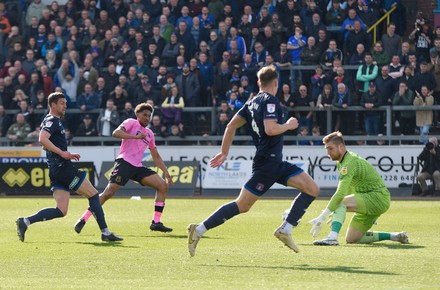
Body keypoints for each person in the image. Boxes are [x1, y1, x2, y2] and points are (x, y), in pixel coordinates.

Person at [187, 65, 320, 257]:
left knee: (312, 189)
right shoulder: (271, 101)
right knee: (242, 205)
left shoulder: (250, 103)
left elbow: (231, 126)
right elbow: (270, 129)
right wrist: (288, 125)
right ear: (276, 83)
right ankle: (198, 230)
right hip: (268, 164)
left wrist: (224, 152)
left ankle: (286, 228)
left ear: (259, 83)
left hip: (274, 163)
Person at [16, 92, 122, 242]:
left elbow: (49, 142)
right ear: (53, 105)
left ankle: (25, 221)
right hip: (64, 169)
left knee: (61, 210)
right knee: (93, 195)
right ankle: (105, 232)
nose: (65, 106)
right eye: (62, 103)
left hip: (56, 170)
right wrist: (63, 153)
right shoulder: (52, 120)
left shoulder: (50, 120)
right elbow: (42, 139)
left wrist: (66, 153)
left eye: (65, 103)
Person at [74, 103, 174, 234]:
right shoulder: (131, 122)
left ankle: (156, 222)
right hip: (125, 162)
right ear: (137, 115)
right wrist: (135, 137)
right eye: (144, 115)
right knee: (108, 193)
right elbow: (115, 133)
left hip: (137, 166)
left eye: (149, 116)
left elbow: (155, 155)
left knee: (162, 186)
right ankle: (83, 219)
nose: (147, 118)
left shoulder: (149, 134)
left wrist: (166, 173)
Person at [309, 131, 409, 246]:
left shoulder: (349, 163)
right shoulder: (342, 162)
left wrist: (323, 216)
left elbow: (340, 194)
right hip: (372, 199)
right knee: (352, 239)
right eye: (326, 149)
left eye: (330, 148)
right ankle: (395, 236)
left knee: (340, 202)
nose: (328, 153)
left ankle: (332, 237)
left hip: (376, 197)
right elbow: (349, 188)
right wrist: (337, 211)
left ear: (341, 147)